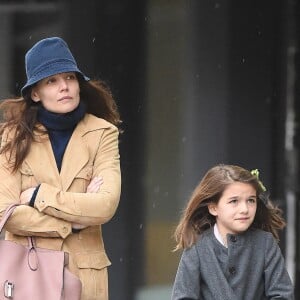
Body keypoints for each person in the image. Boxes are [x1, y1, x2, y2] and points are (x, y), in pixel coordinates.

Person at [0, 37, 121, 300]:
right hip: (29, 276)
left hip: (85, 277)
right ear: (35, 92)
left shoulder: (102, 133)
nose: (64, 87)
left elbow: (105, 205)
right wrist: (73, 224)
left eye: (69, 77)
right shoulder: (14, 136)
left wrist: (38, 196)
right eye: (51, 81)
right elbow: (6, 212)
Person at [171, 164, 294, 300]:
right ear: (213, 208)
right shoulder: (197, 248)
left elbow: (282, 295)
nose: (245, 209)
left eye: (251, 200)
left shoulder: (265, 243)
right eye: (234, 201)